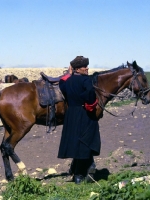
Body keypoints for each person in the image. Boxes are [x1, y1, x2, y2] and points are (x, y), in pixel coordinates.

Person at [58, 56, 101, 184]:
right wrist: (92, 103)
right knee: (86, 141)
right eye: (84, 67)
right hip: (83, 114)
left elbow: (62, 84)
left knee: (76, 142)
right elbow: (90, 97)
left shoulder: (67, 82)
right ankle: (80, 174)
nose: (87, 68)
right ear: (78, 69)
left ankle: (76, 172)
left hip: (71, 114)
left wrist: (69, 73)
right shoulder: (86, 81)